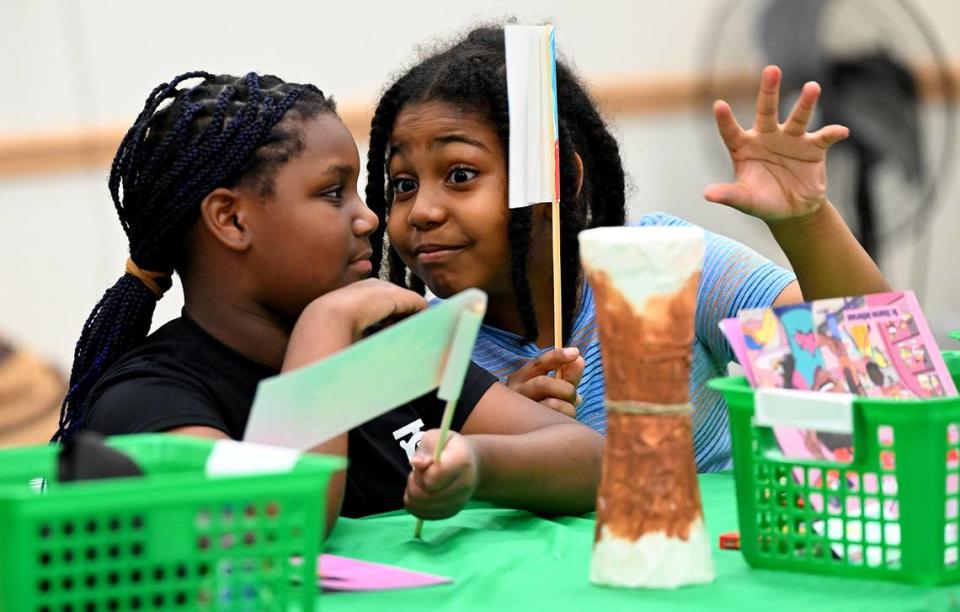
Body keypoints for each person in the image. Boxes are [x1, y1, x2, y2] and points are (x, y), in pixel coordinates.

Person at [55, 71, 602, 531]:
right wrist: (323, 324)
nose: (368, 219)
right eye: (331, 194)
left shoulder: (386, 349)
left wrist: (476, 461)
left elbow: (593, 459)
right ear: (232, 219)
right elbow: (274, 529)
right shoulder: (146, 399)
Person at [364, 26, 891, 471]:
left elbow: (876, 366)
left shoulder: (665, 263)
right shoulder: (427, 352)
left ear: (559, 180)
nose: (422, 211)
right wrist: (510, 447)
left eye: (459, 174)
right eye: (403, 184)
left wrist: (807, 222)